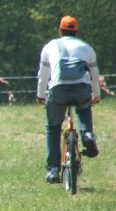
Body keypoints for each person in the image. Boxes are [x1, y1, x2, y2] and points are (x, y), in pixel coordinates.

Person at [37, 16, 100, 183]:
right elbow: (94, 75)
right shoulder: (87, 48)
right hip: (81, 88)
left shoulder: (50, 46)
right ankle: (87, 134)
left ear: (60, 31)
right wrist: (96, 95)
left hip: (58, 89)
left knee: (53, 127)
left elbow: (43, 76)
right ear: (76, 32)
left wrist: (40, 95)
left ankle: (53, 170)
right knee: (84, 108)